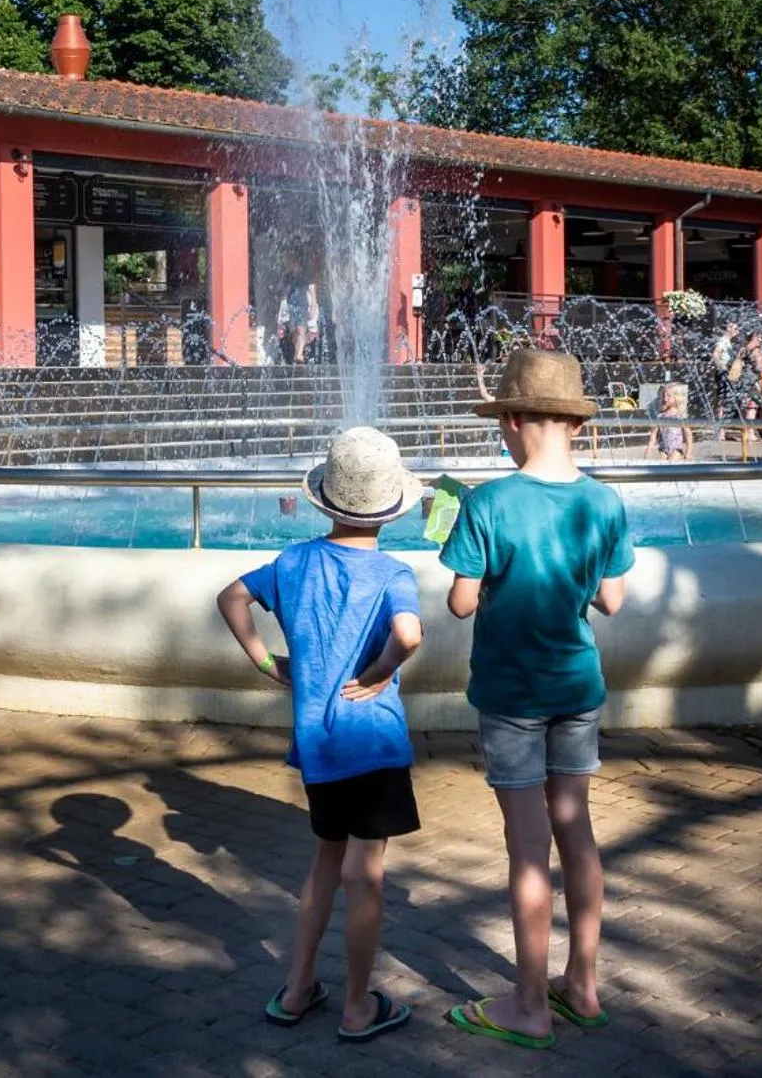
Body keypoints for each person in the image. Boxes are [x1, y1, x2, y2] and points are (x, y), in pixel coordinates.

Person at [440, 350, 633, 1051]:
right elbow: (611, 598)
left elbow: (461, 603)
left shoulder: (487, 503)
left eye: (502, 422)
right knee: (576, 832)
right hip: (577, 687)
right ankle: (581, 984)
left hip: (512, 694)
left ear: (515, 421)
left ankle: (527, 1002)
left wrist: (462, 542)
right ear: (574, 426)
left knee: (527, 850)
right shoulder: (604, 502)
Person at [216, 426, 426, 1044]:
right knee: (367, 873)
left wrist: (264, 663)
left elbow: (231, 597)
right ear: (388, 509)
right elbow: (410, 635)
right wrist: (380, 672)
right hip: (373, 740)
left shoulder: (294, 562)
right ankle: (359, 1006)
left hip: (318, 742)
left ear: (328, 500)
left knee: (325, 865)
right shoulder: (392, 572)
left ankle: (297, 987)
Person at [645, 383, 692, 461]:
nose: (665, 398)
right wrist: (648, 450)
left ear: (676, 397)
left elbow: (688, 434)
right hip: (663, 449)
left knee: (671, 466)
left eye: (668, 396)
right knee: (663, 470)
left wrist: (688, 452)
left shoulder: (680, 416)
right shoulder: (660, 416)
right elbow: (653, 436)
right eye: (664, 395)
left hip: (676, 449)